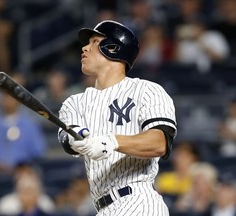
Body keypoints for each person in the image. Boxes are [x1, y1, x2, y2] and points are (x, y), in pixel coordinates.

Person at [57, 20, 177, 215]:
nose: (85, 48)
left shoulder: (146, 91)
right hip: (102, 207)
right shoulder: (75, 103)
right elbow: (67, 138)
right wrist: (75, 138)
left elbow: (159, 143)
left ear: (112, 48)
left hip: (138, 201)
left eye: (94, 42)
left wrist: (110, 141)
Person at [0, 73, 48, 175]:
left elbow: (39, 153)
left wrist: (25, 167)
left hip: (23, 175)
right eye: (4, 96)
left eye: (11, 96)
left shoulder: (30, 125)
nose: (7, 100)